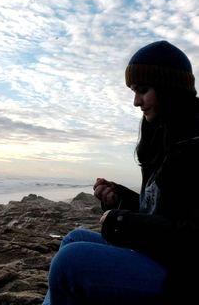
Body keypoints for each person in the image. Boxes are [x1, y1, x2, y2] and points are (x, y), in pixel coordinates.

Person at [42, 40, 199, 304]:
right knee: (74, 238)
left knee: (70, 263)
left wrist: (122, 222)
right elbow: (164, 212)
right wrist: (121, 199)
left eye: (143, 90)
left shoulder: (193, 143)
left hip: (182, 276)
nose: (136, 101)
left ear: (169, 88)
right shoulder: (165, 137)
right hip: (161, 258)